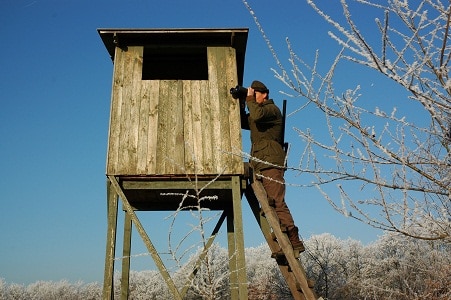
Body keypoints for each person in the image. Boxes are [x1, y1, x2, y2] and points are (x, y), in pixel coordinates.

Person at [240, 80, 305, 252]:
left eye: (255, 94)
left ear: (264, 94)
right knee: (272, 203)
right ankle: (283, 232)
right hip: (260, 163)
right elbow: (243, 120)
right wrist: (240, 102)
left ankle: (293, 237)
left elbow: (257, 115)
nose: (252, 98)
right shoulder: (258, 113)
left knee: (277, 201)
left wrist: (248, 99)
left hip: (270, 163)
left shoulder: (272, 110)